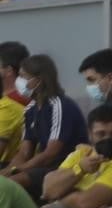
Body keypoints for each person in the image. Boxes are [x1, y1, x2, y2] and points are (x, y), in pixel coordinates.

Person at [3, 54, 88, 198]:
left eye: (23, 77)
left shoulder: (60, 105)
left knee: (12, 182)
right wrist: (9, 169)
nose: (19, 81)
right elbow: (24, 152)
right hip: (42, 166)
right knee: (4, 179)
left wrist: (17, 170)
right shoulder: (30, 109)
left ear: (38, 81)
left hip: (64, 167)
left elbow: (51, 153)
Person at [41, 104, 112, 208]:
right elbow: (48, 188)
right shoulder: (82, 153)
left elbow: (86, 203)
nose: (107, 139)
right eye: (101, 134)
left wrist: (57, 198)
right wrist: (80, 169)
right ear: (90, 134)